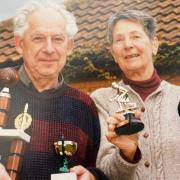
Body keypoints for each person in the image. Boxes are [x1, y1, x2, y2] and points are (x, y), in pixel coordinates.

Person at [0, 1, 108, 180]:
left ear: (70, 46)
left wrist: (92, 176)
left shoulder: (84, 104)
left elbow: (94, 166)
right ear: (20, 44)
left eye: (58, 39)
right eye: (38, 38)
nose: (49, 49)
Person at [91, 9, 180, 180]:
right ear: (113, 54)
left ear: (154, 45)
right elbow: (104, 173)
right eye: (119, 39)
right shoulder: (100, 100)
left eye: (135, 36)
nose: (127, 45)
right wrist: (127, 153)